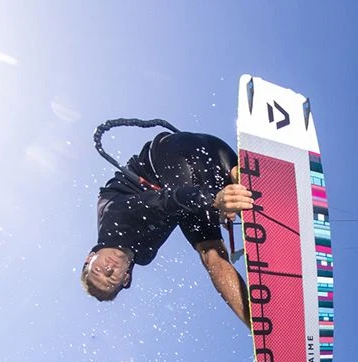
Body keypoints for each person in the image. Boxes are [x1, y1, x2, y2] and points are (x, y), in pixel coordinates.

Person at [81, 130, 254, 327]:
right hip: (212, 153)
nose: (108, 269)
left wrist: (213, 199)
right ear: (125, 279)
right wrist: (214, 208)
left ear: (90, 257)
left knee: (211, 253)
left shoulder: (113, 219)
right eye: (111, 279)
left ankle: (258, 328)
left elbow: (163, 201)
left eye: (98, 270)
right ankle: (242, 179)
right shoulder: (144, 254)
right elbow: (177, 213)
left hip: (176, 155)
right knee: (244, 199)